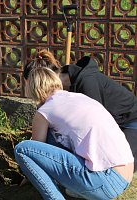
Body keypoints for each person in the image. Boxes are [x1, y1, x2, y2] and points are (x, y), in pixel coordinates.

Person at [14, 56, 134, 199]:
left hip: (104, 181)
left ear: (32, 88)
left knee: (23, 149)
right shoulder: (80, 97)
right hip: (125, 175)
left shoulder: (44, 112)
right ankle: (78, 190)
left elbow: (35, 150)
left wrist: (28, 175)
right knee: (54, 136)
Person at [27, 50, 137, 171]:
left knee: (120, 166)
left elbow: (96, 122)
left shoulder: (87, 82)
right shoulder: (66, 90)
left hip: (130, 122)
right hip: (114, 124)